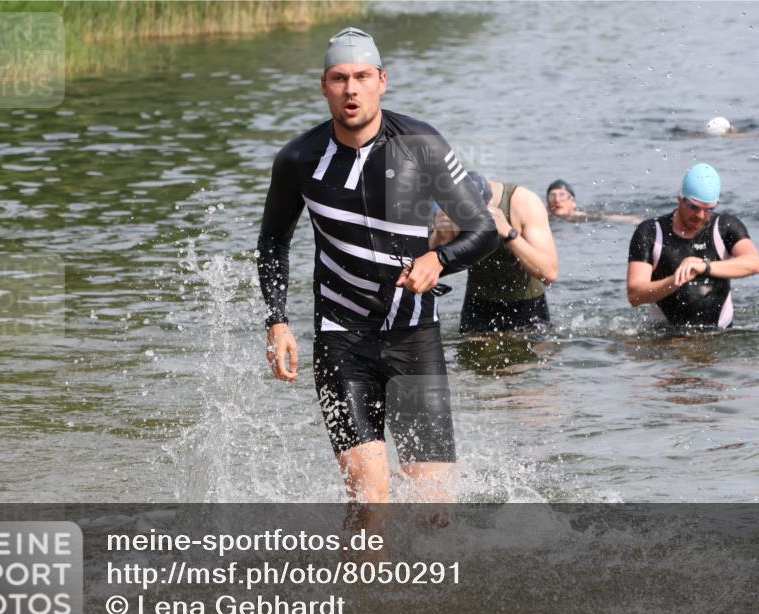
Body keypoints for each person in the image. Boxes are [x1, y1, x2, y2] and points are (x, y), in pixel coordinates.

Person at [256, 28, 498, 503]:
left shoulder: (420, 144)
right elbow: (271, 242)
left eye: (362, 76)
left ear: (382, 81)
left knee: (435, 508)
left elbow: (484, 230)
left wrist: (439, 259)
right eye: (340, 78)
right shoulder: (298, 159)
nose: (352, 89)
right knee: (371, 503)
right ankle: (363, 577)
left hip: (415, 339)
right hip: (341, 342)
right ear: (324, 85)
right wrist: (277, 322)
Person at [626, 163, 759, 329]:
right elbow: (635, 295)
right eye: (693, 207)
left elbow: (754, 263)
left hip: (720, 335)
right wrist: (674, 281)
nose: (699, 215)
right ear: (679, 198)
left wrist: (704, 267)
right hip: (666, 338)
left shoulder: (724, 227)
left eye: (708, 209)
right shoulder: (651, 232)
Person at [431, 171, 559, 332]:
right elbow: (423, 270)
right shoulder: (450, 210)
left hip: (527, 306)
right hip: (478, 305)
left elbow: (549, 273)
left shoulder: (523, 202)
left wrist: (509, 234)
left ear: (489, 202)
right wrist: (439, 236)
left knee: (532, 355)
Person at [546, 179, 641, 224]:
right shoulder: (545, 218)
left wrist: (634, 220)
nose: (557, 200)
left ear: (573, 202)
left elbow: (607, 217)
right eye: (552, 196)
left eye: (563, 195)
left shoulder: (582, 217)